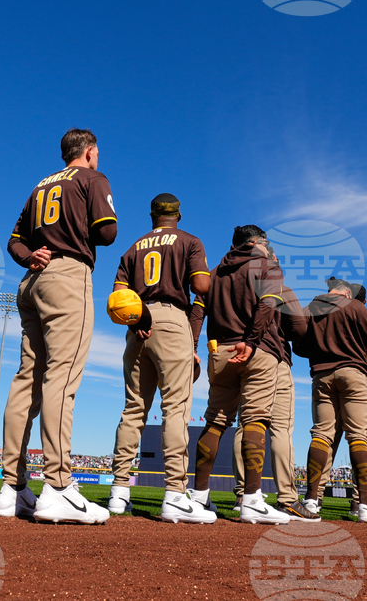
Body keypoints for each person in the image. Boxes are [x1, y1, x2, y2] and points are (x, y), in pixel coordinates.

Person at [0, 129, 117, 524]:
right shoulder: (93, 177)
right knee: (61, 378)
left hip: (32, 279)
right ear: (90, 152)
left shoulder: (39, 186)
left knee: (26, 379)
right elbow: (108, 232)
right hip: (67, 275)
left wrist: (30, 254)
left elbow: (14, 240)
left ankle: (10, 488)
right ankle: (58, 486)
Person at [105, 193, 215, 523]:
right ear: (178, 215)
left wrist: (138, 319)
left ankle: (119, 492)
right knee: (176, 409)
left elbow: (117, 295)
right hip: (171, 319)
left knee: (133, 408)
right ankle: (175, 495)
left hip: (137, 323)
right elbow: (201, 286)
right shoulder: (189, 241)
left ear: (151, 215)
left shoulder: (133, 247)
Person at [190, 225, 291, 524]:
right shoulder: (267, 265)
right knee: (256, 420)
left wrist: (192, 347)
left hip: (218, 351)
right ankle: (251, 500)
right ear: (258, 242)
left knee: (215, 421)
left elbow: (197, 311)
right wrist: (251, 339)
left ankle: (198, 497)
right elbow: (268, 304)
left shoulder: (214, 271)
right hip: (256, 350)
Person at [299, 279, 367, 523]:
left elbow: (299, 345)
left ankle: (311, 500)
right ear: (348, 293)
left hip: (321, 375)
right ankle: (364, 504)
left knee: (321, 435)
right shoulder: (355, 307)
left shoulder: (310, 308)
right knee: (358, 436)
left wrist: (320, 350)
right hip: (354, 374)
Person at [231, 283, 315, 521]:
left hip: (237, 353)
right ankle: (287, 499)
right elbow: (299, 329)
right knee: (281, 428)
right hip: (273, 356)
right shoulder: (278, 285)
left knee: (246, 423)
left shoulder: (231, 281)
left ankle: (242, 494)